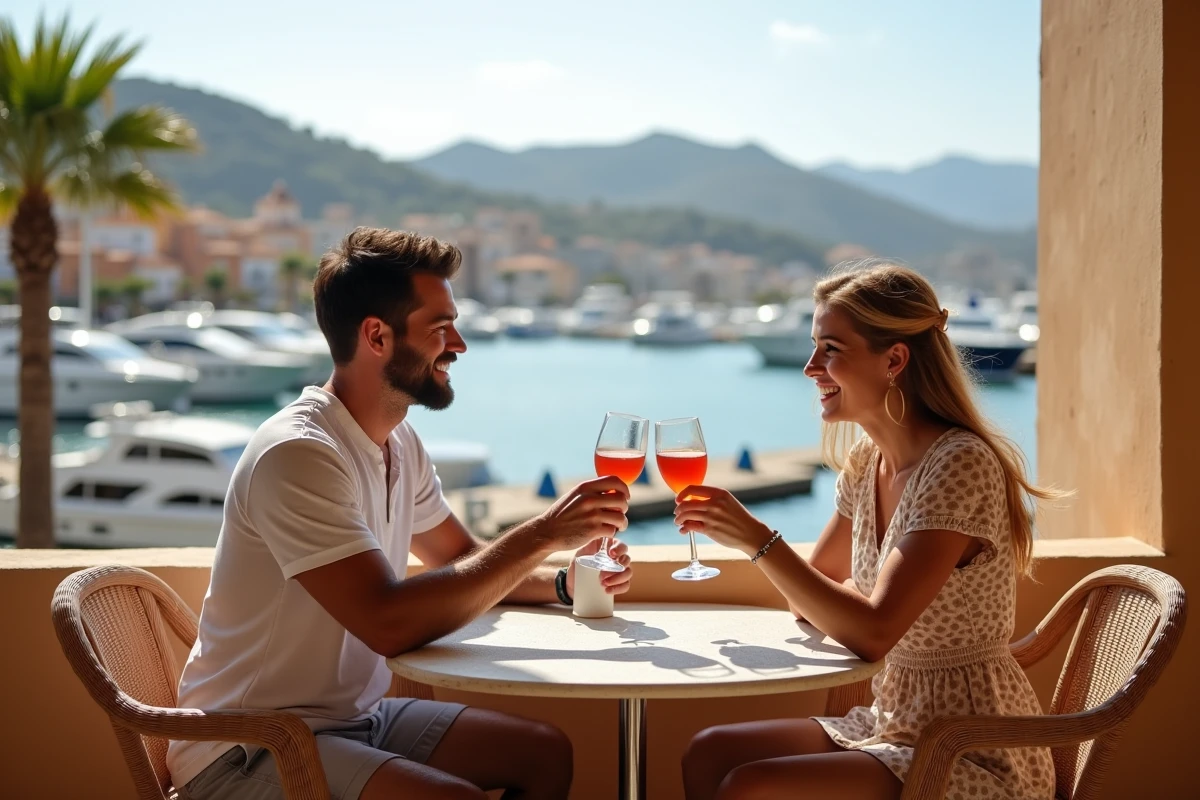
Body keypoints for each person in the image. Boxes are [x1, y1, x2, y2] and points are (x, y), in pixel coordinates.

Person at [167, 227, 634, 800]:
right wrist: (545, 532)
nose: (459, 344)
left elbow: (462, 561)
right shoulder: (300, 454)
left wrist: (565, 582)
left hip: (352, 722)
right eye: (440, 328)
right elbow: (387, 622)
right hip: (248, 745)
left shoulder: (398, 442)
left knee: (541, 754)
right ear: (376, 336)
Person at [674, 262, 1060, 800]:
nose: (811, 367)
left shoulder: (959, 464)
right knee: (710, 750)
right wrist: (842, 591)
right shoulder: (866, 462)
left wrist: (757, 540)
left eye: (831, 348)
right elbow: (809, 602)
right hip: (890, 722)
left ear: (894, 360)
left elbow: (874, 631)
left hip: (969, 747)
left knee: (751, 785)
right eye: (814, 346)